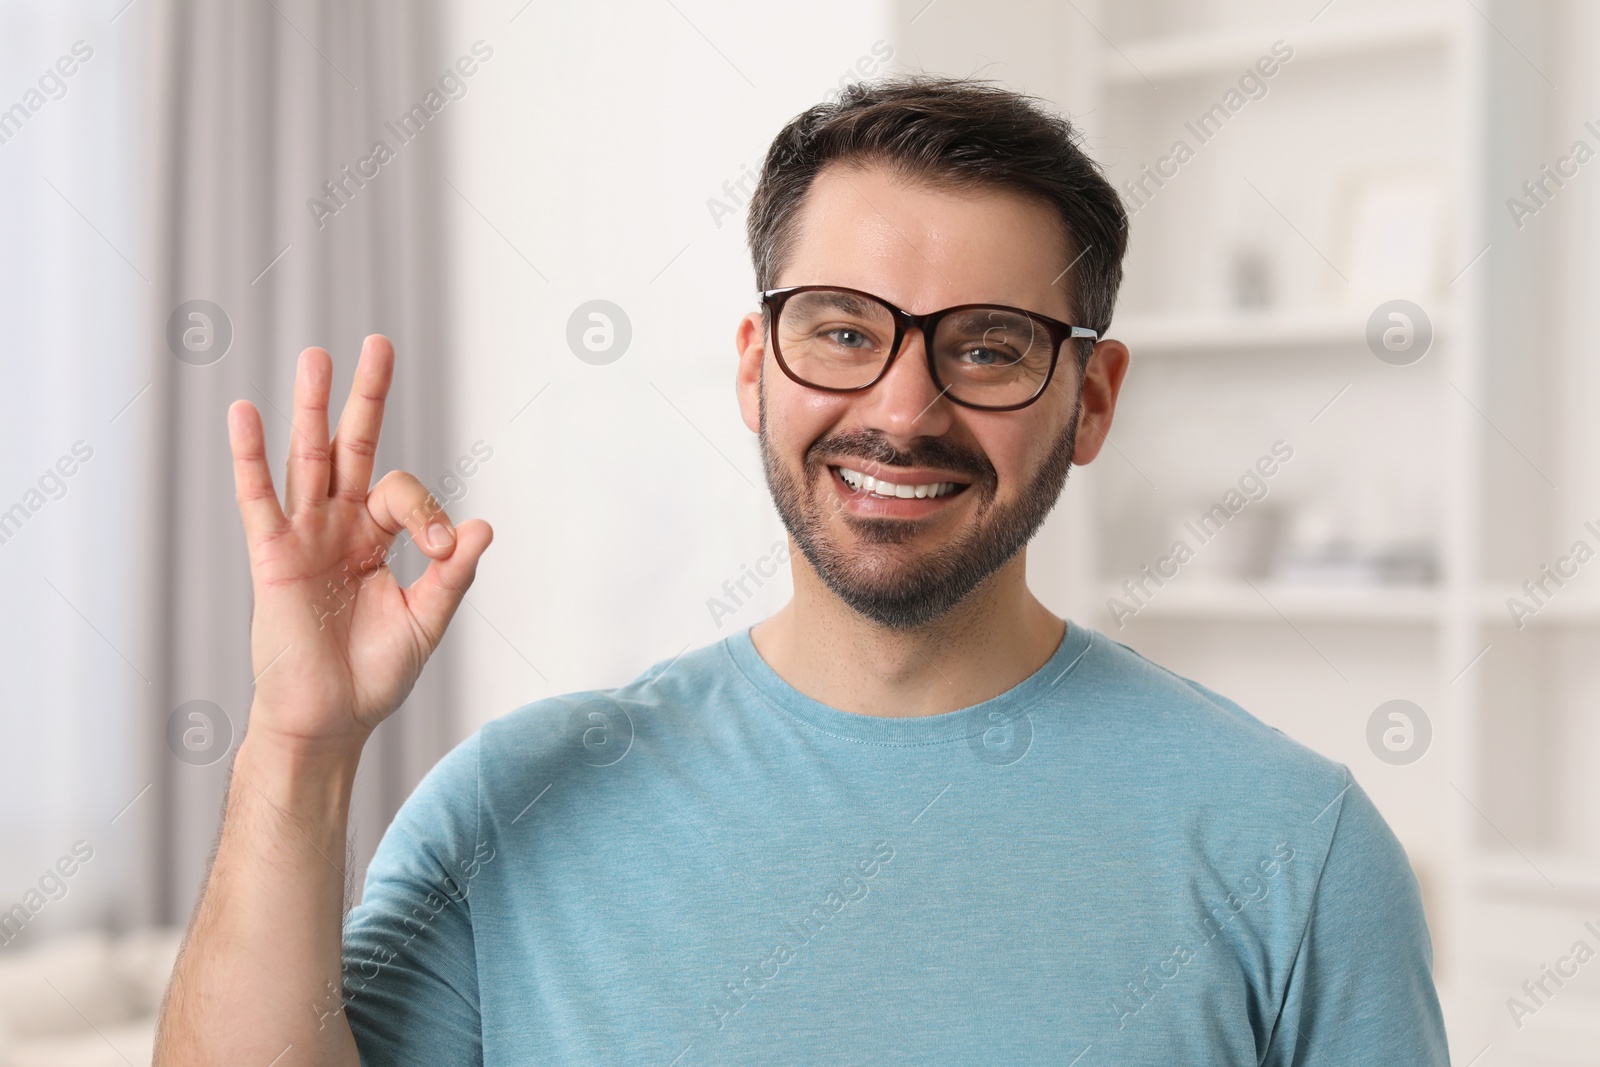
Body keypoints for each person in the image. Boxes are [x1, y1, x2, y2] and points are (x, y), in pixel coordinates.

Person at [155, 75, 1449, 1065]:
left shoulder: (1296, 846)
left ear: (1092, 399)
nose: (902, 408)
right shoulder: (509, 806)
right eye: (842, 331)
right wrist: (297, 744)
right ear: (754, 367)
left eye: (989, 348)